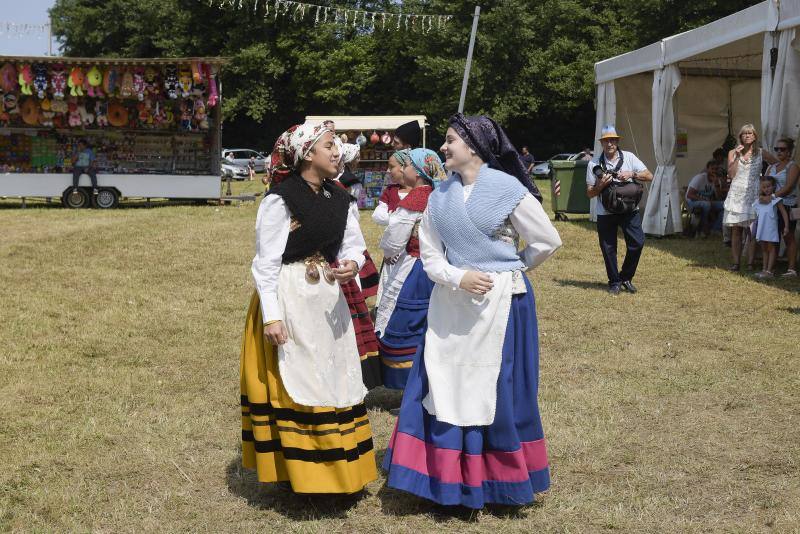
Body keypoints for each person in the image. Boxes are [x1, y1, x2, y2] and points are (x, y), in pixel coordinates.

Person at [382, 113, 561, 509]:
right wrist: (456, 276)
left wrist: (511, 269)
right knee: (444, 381)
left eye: (449, 141)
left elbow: (546, 240)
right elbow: (429, 252)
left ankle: (499, 481)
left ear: (475, 146)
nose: (443, 147)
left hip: (502, 305)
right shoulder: (439, 194)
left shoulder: (507, 188)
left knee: (496, 387)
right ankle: (441, 477)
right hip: (451, 302)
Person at [240, 122, 377, 494]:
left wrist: (350, 265)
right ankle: (302, 476)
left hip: (328, 300)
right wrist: (272, 315)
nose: (337, 152)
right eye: (329, 145)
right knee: (299, 379)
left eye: (337, 146)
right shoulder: (280, 199)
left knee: (332, 376)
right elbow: (265, 264)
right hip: (290, 298)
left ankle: (338, 472)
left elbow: (353, 246)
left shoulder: (341, 198)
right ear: (307, 154)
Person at [374, 148, 445, 390]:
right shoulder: (441, 196)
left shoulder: (413, 201)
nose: (403, 170)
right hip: (441, 270)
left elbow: (393, 243)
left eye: (407, 166)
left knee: (406, 323)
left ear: (419, 171)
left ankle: (411, 387)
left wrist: (389, 252)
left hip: (415, 269)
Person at [586, 125, 654, 294]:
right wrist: (601, 184)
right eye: (607, 140)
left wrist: (631, 174)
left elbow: (649, 176)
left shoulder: (629, 157)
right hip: (606, 212)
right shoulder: (594, 164)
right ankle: (614, 282)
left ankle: (626, 277)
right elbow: (589, 193)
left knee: (637, 243)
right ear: (602, 143)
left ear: (617, 142)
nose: (610, 143)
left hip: (629, 210)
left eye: (613, 140)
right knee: (608, 248)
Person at [722, 124, 778, 272]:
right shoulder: (733, 152)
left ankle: (750, 263)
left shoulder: (761, 153)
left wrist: (767, 183)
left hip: (754, 192)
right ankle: (736, 263)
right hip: (737, 193)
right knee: (736, 230)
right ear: (740, 137)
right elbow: (731, 174)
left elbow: (777, 165)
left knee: (752, 230)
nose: (747, 136)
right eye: (744, 134)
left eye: (750, 133)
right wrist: (737, 158)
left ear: (754, 136)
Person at [766, 137, 798, 276]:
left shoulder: (793, 166)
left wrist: (771, 197)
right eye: (776, 149)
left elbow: (789, 186)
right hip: (771, 206)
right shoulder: (770, 167)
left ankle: (791, 269)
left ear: (789, 151)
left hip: (787, 205)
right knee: (774, 236)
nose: (779, 151)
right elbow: (763, 183)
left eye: (783, 149)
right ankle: (771, 267)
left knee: (788, 236)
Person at [753, 176, 790, 278]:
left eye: (768, 186)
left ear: (773, 187)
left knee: (771, 248)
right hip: (762, 228)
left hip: (771, 228)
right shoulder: (759, 201)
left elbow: (784, 213)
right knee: (764, 248)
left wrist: (786, 226)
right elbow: (755, 215)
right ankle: (764, 269)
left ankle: (769, 271)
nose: (766, 189)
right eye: (764, 187)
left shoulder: (776, 200)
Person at [685, 161, 725, 236]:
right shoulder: (700, 178)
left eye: (716, 169)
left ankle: (715, 228)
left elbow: (719, 198)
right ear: (707, 169)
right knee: (706, 204)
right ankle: (704, 227)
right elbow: (689, 195)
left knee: (725, 205)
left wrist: (716, 184)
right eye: (712, 169)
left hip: (707, 202)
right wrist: (704, 200)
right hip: (692, 202)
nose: (714, 171)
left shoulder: (716, 180)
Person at [372, 153, 412, 226]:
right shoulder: (390, 190)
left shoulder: (419, 191)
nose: (388, 171)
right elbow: (378, 215)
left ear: (405, 167)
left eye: (391, 167)